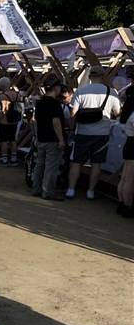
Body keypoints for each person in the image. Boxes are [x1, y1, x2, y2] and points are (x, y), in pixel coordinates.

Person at [66, 66, 121, 200]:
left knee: (77, 162)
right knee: (96, 164)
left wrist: (72, 129)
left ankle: (71, 189)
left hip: (83, 131)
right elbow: (117, 113)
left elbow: (73, 113)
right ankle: (90, 191)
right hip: (102, 133)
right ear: (102, 77)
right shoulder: (111, 92)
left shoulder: (81, 90)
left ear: (90, 77)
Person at [31, 75, 66, 201]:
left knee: (40, 164)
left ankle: (36, 188)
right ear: (55, 88)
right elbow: (56, 122)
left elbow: (35, 121)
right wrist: (61, 139)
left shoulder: (39, 102)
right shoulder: (55, 104)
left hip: (41, 137)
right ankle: (48, 191)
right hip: (52, 138)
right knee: (51, 166)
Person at [117, 91, 134, 217]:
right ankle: (127, 205)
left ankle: (122, 203)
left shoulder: (131, 113)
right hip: (132, 145)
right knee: (129, 179)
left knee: (125, 177)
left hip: (129, 144)